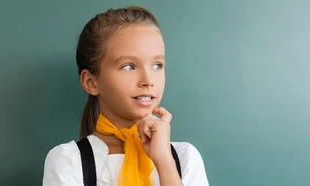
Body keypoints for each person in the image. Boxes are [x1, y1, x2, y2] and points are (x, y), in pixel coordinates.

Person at [42, 6, 210, 186]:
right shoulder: (69, 161)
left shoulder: (184, 157)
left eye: (157, 65)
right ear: (91, 82)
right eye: (129, 66)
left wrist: (164, 162)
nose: (148, 80)